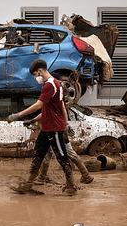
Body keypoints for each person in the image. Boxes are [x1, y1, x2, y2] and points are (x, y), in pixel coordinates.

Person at [7, 59, 77, 195]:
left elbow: (39, 105)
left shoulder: (50, 85)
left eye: (34, 75)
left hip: (55, 128)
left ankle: (71, 186)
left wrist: (18, 115)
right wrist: (33, 119)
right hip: (47, 127)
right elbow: (52, 108)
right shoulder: (56, 84)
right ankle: (28, 183)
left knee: (62, 156)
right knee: (38, 154)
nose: (35, 78)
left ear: (39, 71)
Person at [23, 116, 94, 185]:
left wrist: (32, 120)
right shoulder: (58, 106)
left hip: (54, 134)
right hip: (60, 132)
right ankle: (85, 175)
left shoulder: (49, 107)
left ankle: (42, 178)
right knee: (68, 154)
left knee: (55, 157)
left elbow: (43, 114)